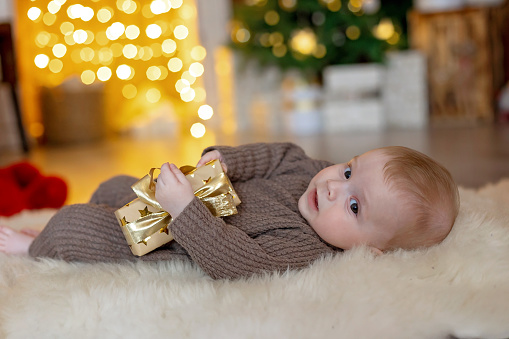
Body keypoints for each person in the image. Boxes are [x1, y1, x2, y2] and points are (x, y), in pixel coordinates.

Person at [0, 143, 460, 280]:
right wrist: (228, 161)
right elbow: (279, 156)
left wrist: (185, 211)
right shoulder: (315, 172)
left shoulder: (304, 249)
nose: (334, 188)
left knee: (73, 226)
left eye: (356, 206)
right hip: (174, 202)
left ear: (372, 251)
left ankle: (34, 244)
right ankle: (101, 205)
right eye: (348, 170)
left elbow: (234, 261)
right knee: (112, 185)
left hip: (169, 240)